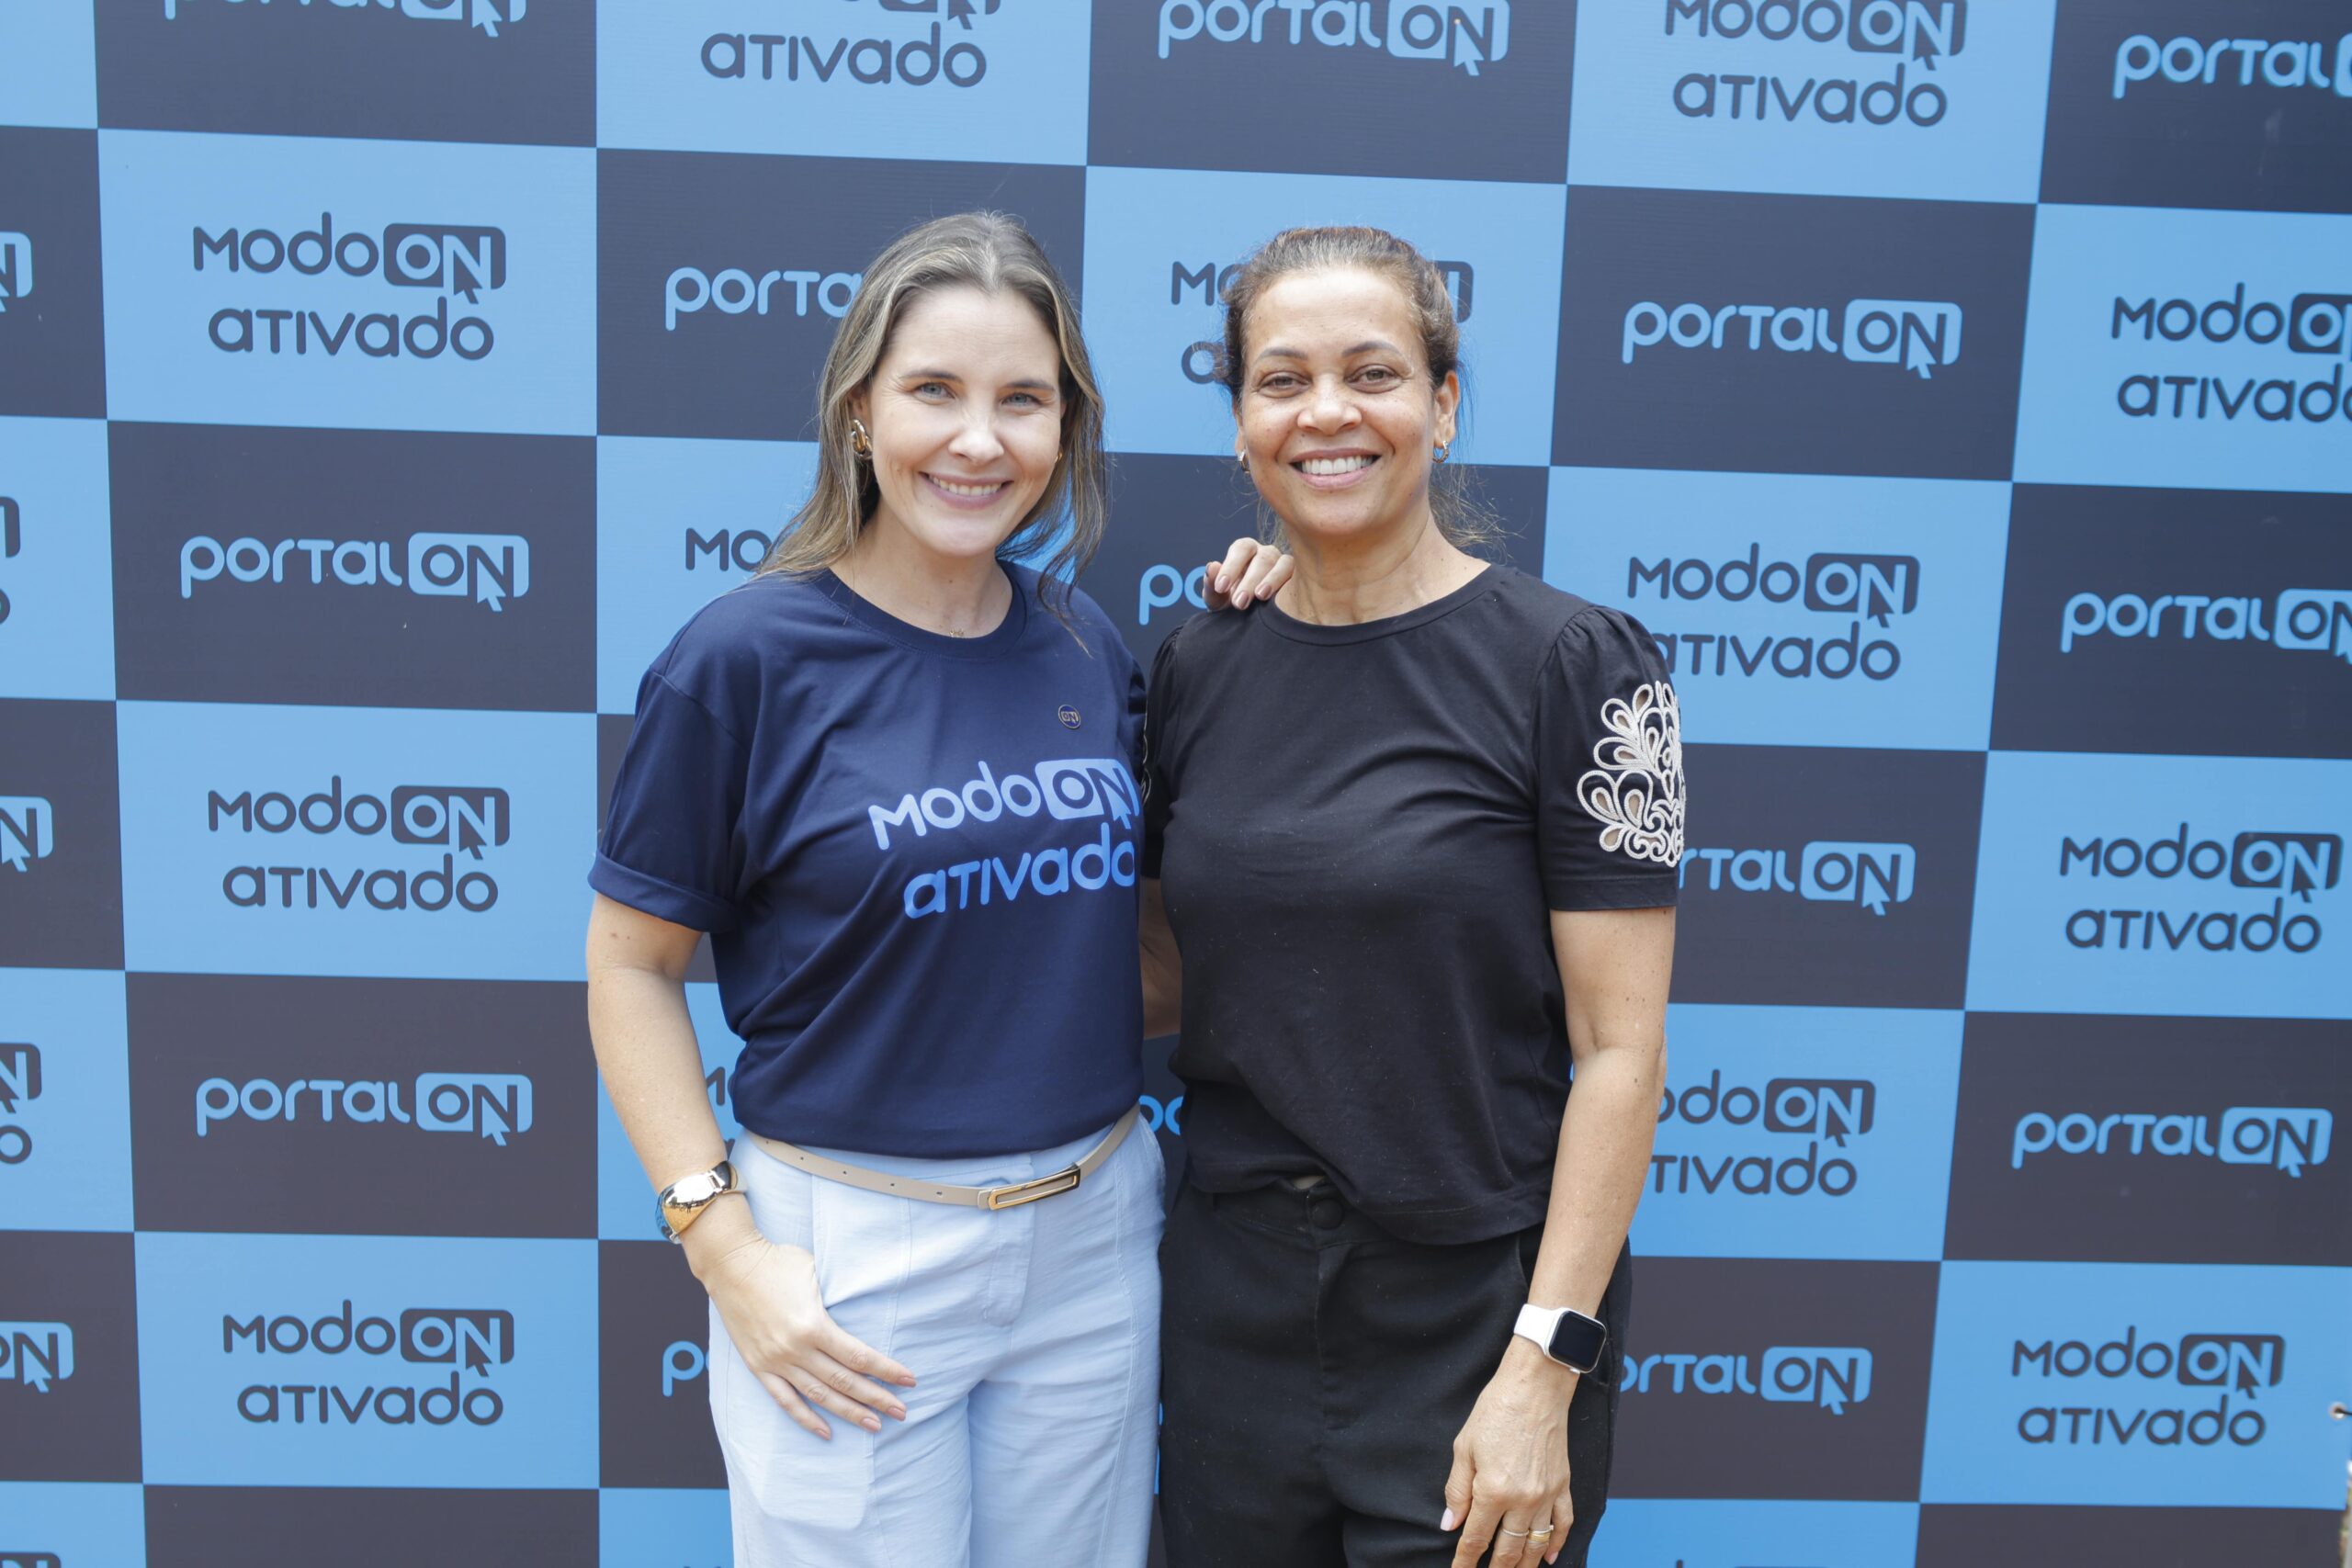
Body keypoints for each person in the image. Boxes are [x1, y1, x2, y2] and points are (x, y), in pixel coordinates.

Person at [584, 211, 1286, 1568]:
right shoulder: (742, 660)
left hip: (1093, 1233)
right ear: (860, 411)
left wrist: (1287, 613)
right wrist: (721, 1246)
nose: (978, 440)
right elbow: (629, 968)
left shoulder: (1083, 642)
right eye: (934, 392)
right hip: (851, 1254)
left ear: (1065, 429)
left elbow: (1142, 941)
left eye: (1022, 399)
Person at [1140, 225, 1684, 1568]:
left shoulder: (1580, 665)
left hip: (1477, 1317)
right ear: (1241, 426)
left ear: (1442, 404)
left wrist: (1544, 1367)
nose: (1327, 412)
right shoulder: (1197, 665)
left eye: (1373, 373)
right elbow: (1157, 973)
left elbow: (1621, 1053)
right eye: (1283, 380)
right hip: (1231, 1311)